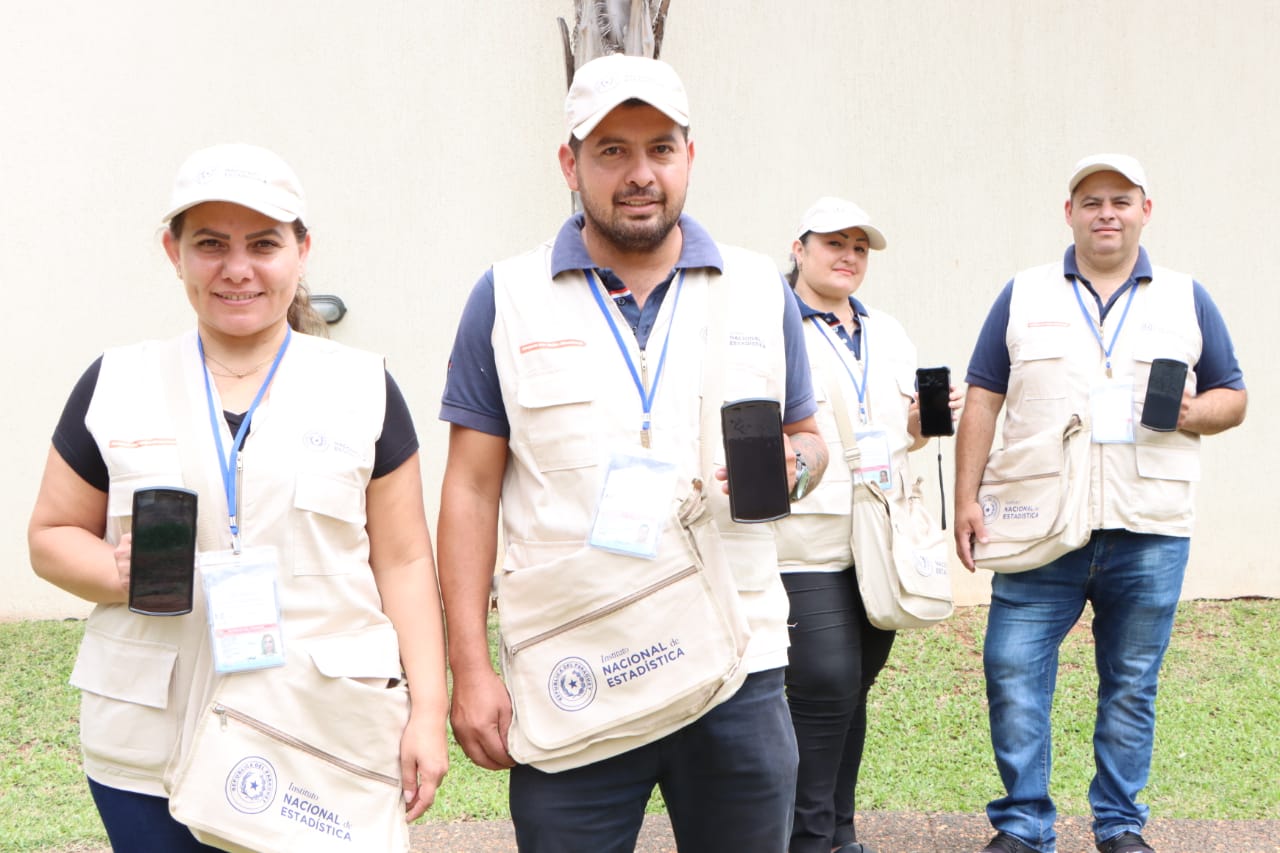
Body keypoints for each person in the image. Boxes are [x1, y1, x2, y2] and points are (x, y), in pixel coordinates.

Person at [437, 54, 827, 853]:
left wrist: (798, 465)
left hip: (736, 661)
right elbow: (470, 491)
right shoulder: (505, 297)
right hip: (576, 662)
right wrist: (469, 667)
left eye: (659, 148)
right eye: (612, 149)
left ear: (691, 155)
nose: (639, 172)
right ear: (569, 163)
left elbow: (809, 437)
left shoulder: (760, 288)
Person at [27, 143, 449, 852]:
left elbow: (404, 561)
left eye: (263, 243)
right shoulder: (116, 383)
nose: (237, 268)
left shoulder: (364, 388)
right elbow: (50, 534)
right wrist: (114, 569)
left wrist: (428, 710)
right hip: (148, 743)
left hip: (316, 730)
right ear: (175, 251)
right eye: (210, 244)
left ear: (302, 249)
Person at [953, 154, 1247, 853]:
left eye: (1121, 199)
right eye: (1091, 201)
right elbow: (983, 397)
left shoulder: (1186, 297)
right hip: (1038, 522)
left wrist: (1191, 411)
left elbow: (1233, 395)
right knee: (1012, 669)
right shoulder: (1023, 294)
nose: (1106, 212)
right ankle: (1024, 826)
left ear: (1147, 209)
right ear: (1069, 214)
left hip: (1148, 528)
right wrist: (965, 497)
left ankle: (1119, 826)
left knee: (1130, 685)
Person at [775, 198, 959, 853]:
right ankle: (808, 837)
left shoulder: (889, 332)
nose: (848, 254)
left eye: (859, 245)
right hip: (805, 544)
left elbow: (904, 433)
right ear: (798, 249)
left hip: (879, 541)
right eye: (833, 242)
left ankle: (840, 834)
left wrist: (922, 425)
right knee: (822, 686)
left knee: (851, 693)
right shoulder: (770, 325)